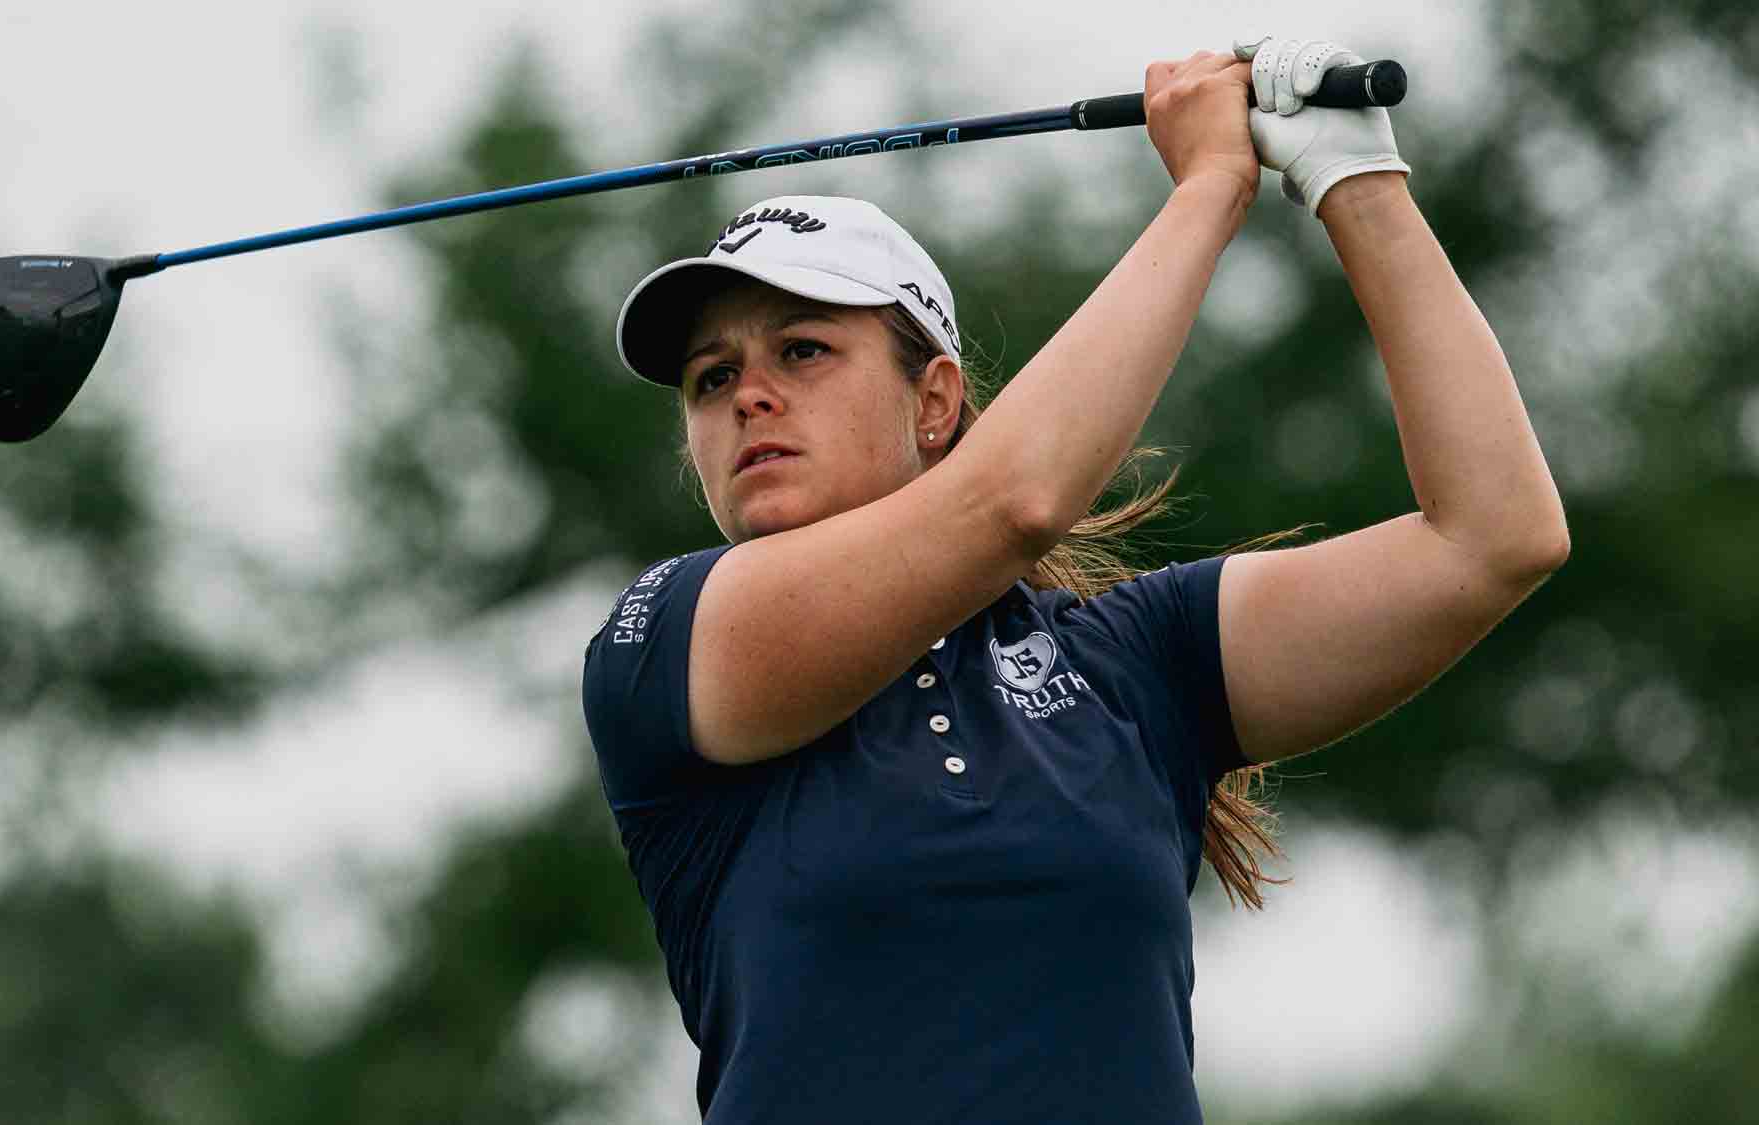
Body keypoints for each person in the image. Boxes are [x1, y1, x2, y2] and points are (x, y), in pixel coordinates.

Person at [582, 36, 1568, 1124]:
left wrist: (1357, 183)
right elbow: (1016, 501)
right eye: (712, 377)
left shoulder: (1130, 663)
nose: (748, 396)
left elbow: (1491, 538)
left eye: (802, 351)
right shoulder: (667, 642)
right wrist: (1208, 188)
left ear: (932, 402)